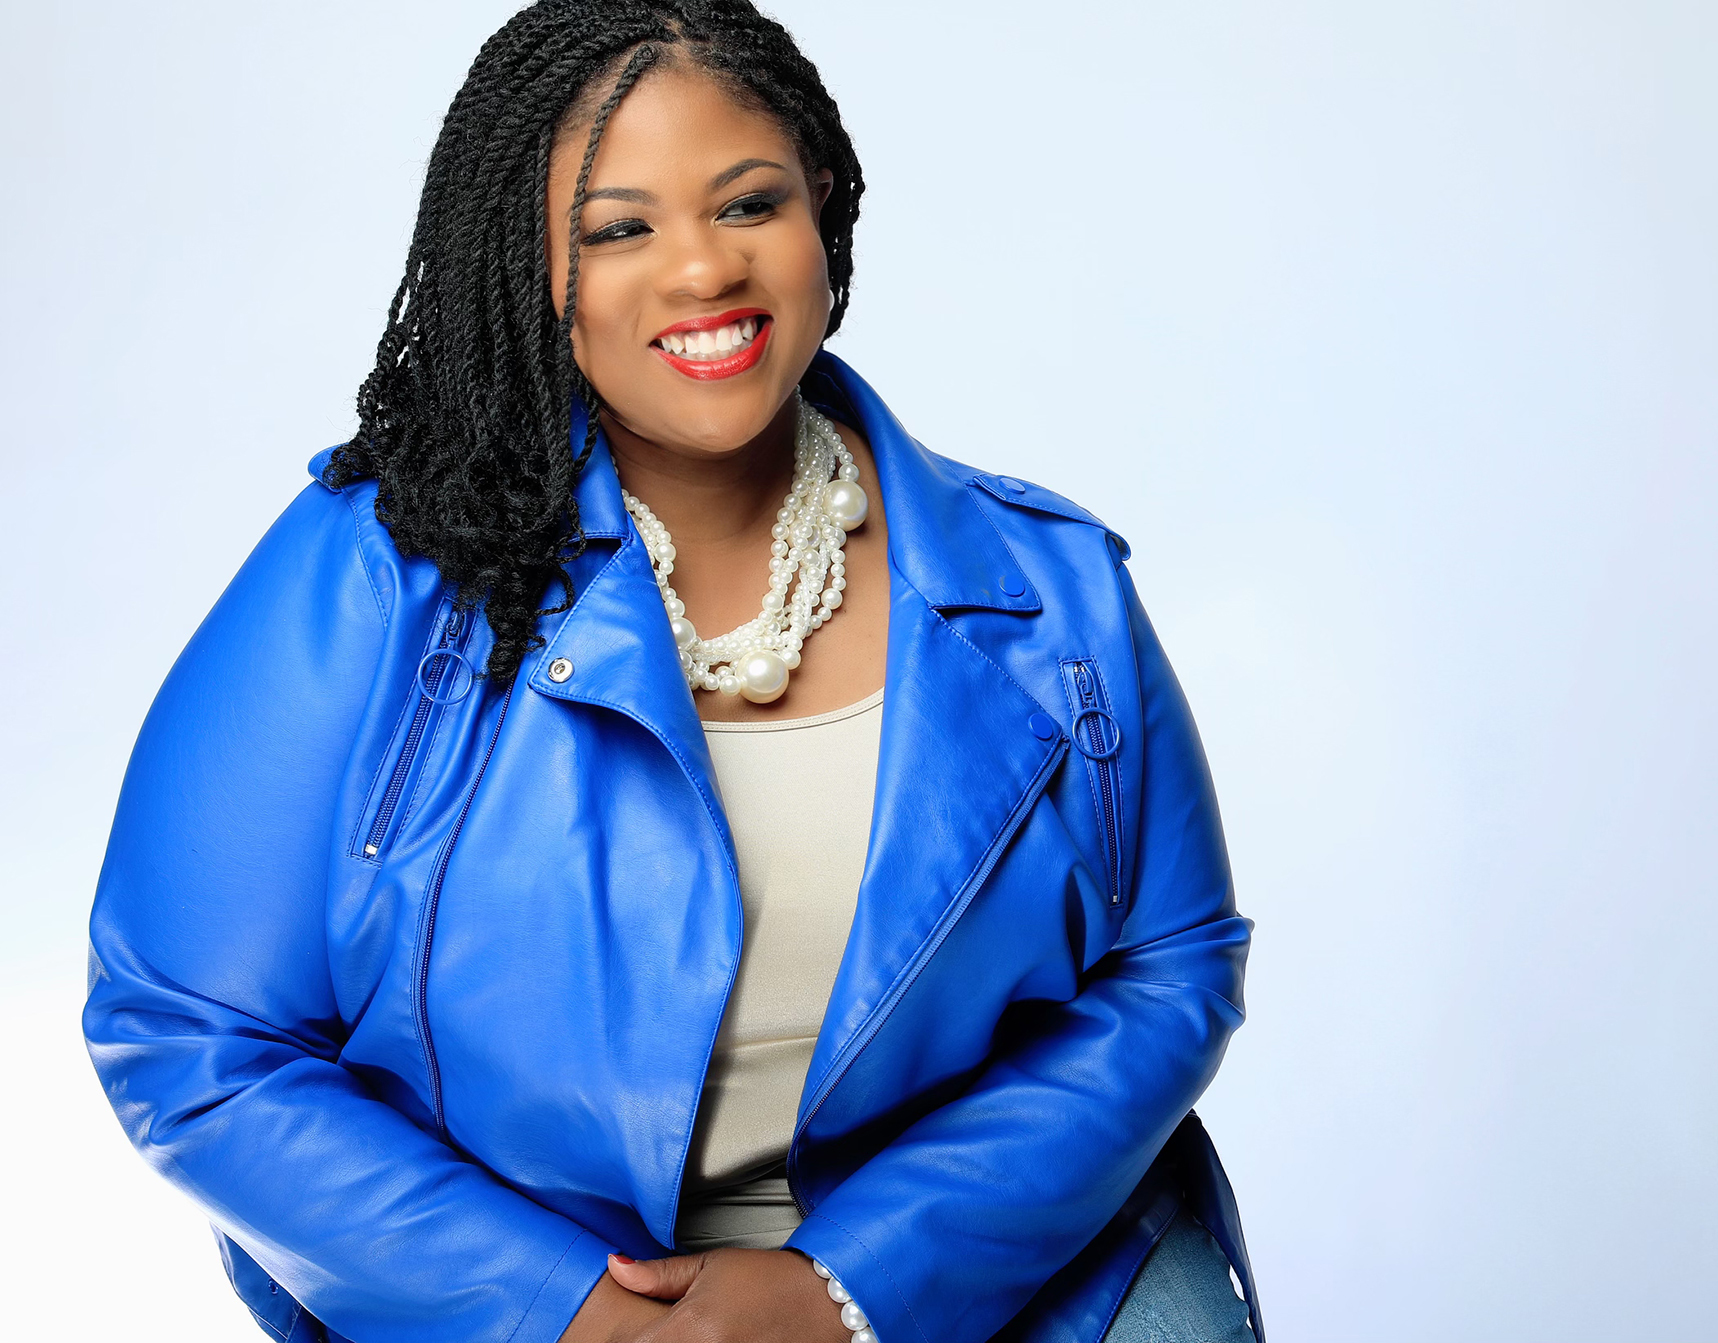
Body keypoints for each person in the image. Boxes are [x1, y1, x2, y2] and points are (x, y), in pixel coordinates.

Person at [82, 4, 1257, 1341]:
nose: (703, 269)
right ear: (529, 270)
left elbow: (1169, 969)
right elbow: (189, 1033)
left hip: (994, 1270)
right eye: (618, 227)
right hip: (507, 1288)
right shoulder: (371, 574)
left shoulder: (1054, 589)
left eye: (747, 202)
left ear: (823, 206)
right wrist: (567, 1311)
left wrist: (847, 1288)